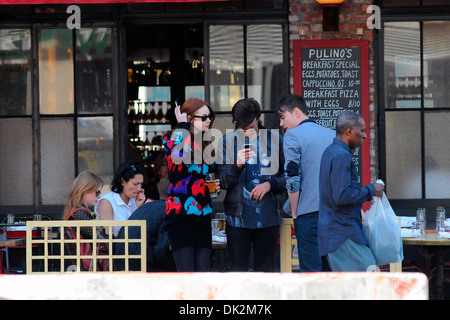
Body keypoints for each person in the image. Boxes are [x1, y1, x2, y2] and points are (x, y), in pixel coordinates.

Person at [217, 98, 285, 272]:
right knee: (238, 272)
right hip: (237, 220)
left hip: (269, 217)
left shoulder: (275, 139)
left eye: (251, 128)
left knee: (266, 273)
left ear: (258, 118)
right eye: (242, 129)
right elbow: (223, 182)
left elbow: (291, 178)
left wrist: (270, 184)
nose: (247, 132)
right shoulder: (226, 142)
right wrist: (237, 165)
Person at [318, 110, 384, 272]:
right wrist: (371, 189)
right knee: (371, 278)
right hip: (343, 233)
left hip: (335, 231)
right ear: (349, 131)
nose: (365, 136)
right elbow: (342, 196)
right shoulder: (342, 156)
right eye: (362, 131)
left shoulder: (330, 151)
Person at [276, 94, 335, 272]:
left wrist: (294, 210)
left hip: (308, 213)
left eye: (283, 117)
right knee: (331, 271)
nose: (281, 124)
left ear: (296, 112)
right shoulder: (332, 135)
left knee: (311, 273)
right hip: (334, 213)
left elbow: (292, 176)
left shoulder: (292, 136)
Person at [162, 97, 218, 272]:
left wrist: (214, 184)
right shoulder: (171, 137)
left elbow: (208, 174)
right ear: (189, 118)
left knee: (203, 274)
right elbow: (179, 160)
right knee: (186, 275)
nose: (208, 120)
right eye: (204, 117)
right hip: (180, 214)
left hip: (202, 213)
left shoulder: (205, 142)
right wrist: (183, 128)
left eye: (210, 117)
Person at [62, 170, 109, 271]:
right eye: (97, 192)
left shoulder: (76, 212)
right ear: (84, 190)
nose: (99, 196)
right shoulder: (79, 213)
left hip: (93, 262)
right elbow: (101, 238)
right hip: (95, 263)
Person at [114, 200, 176, 272]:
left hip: (121, 262)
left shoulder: (148, 206)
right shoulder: (170, 212)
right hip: (142, 268)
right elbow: (161, 251)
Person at [95, 161, 147, 236]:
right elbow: (107, 237)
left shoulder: (135, 201)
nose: (139, 188)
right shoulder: (107, 202)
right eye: (135, 184)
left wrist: (139, 207)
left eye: (141, 184)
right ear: (123, 181)